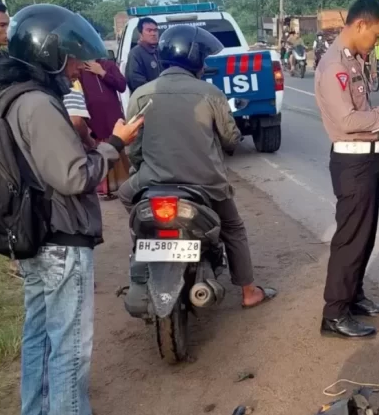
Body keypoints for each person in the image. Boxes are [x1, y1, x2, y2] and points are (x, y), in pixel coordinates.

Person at [0, 3, 143, 415]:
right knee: (69, 348)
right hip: (60, 238)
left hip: (36, 233)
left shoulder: (11, 95)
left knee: (40, 337)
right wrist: (115, 144)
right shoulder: (39, 104)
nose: (76, 68)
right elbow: (74, 177)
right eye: (71, 59)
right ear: (48, 53)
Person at [118, 24, 278, 310]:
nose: (204, 65)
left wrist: (144, 168)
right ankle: (248, 291)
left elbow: (135, 148)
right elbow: (230, 139)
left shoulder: (141, 93)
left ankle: (144, 246)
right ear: (194, 59)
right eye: (203, 59)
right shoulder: (210, 93)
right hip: (207, 184)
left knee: (126, 196)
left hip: (152, 182)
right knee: (233, 228)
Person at [314, 0, 379, 338]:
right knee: (350, 239)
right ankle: (334, 313)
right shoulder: (335, 66)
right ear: (361, 24)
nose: (377, 41)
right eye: (377, 35)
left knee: (364, 236)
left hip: (366, 158)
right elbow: (348, 119)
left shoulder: (353, 60)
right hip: (352, 161)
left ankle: (353, 296)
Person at [78, 58, 128, 197]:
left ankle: (121, 187)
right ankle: (105, 189)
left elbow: (122, 85)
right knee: (99, 149)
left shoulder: (108, 65)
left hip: (112, 117)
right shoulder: (80, 69)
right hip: (94, 118)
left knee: (117, 147)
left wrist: (102, 73)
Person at [125, 17, 162, 93]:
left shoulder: (162, 51)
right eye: (149, 30)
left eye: (155, 30)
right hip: (147, 97)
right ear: (140, 34)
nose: (153, 34)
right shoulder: (136, 53)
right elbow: (135, 81)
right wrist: (157, 90)